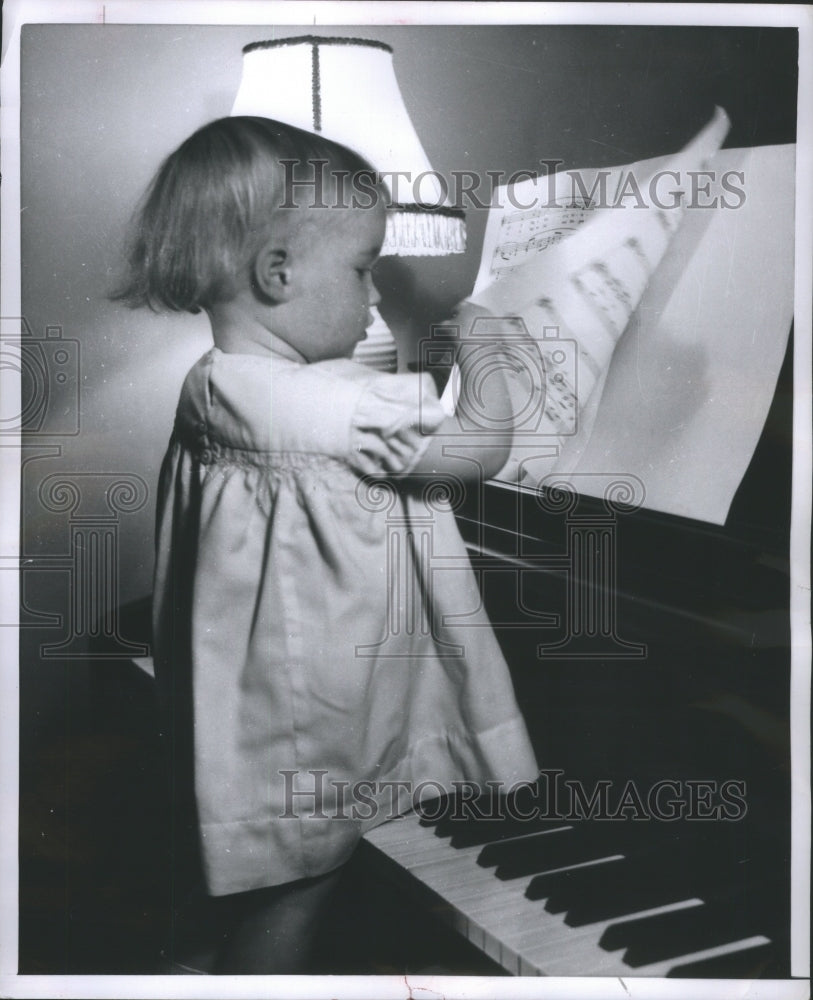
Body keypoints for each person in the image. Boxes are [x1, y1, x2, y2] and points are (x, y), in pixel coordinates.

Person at [114, 115, 537, 974]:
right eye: (361, 270)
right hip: (312, 719)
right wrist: (488, 352)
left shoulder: (214, 389)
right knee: (300, 892)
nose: (375, 299)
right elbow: (477, 451)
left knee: (234, 890)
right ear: (277, 273)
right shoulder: (336, 404)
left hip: (248, 712)